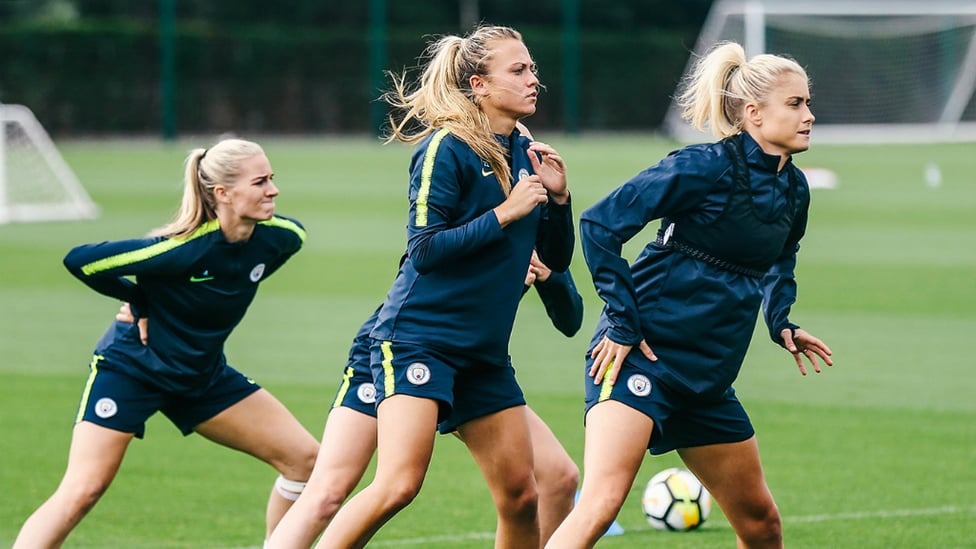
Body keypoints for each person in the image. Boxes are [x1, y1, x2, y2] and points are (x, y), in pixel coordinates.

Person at [545, 42, 833, 549]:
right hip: (641, 358)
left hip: (709, 378)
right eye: (795, 104)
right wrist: (623, 322)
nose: (809, 115)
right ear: (753, 113)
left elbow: (780, 257)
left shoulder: (795, 190)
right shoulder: (702, 167)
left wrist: (780, 320)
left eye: (808, 102)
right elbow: (599, 225)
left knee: (762, 526)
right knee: (601, 502)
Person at [314, 25, 575, 549]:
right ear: (478, 85)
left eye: (533, 69)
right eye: (518, 70)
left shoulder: (527, 153)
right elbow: (425, 250)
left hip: (484, 355)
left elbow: (556, 260)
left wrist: (560, 199)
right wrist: (506, 213)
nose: (534, 80)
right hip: (419, 340)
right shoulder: (446, 147)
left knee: (523, 497)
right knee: (398, 485)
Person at [12, 138, 320, 549]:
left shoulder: (281, 237)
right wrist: (138, 299)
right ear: (223, 194)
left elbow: (259, 260)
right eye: (260, 181)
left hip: (201, 376)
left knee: (307, 462)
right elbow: (80, 259)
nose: (273, 190)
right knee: (83, 490)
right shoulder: (183, 249)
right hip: (133, 369)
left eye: (272, 179)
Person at [266, 250, 583, 549]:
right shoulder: (473, 203)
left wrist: (548, 273)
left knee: (559, 477)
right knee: (330, 490)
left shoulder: (534, 218)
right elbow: (425, 255)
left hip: (472, 363)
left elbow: (571, 319)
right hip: (404, 349)